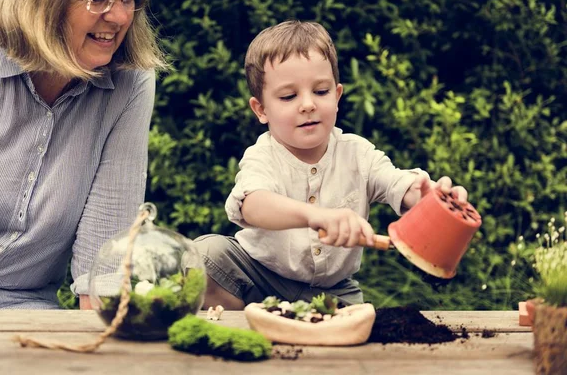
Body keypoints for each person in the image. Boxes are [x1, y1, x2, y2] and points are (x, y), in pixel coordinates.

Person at [194, 20, 469, 309]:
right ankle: (246, 319)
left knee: (359, 324)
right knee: (204, 255)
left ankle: (302, 323)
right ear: (261, 109)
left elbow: (396, 183)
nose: (308, 104)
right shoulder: (263, 155)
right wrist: (316, 216)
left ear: (337, 97)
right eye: (289, 96)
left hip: (333, 292)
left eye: (321, 91)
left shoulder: (358, 154)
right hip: (259, 278)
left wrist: (429, 200)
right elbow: (253, 205)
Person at [0, 0, 168, 309]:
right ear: (40, 0)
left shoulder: (131, 83)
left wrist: (101, 348)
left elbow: (104, 254)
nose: (119, 17)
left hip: (26, 311)